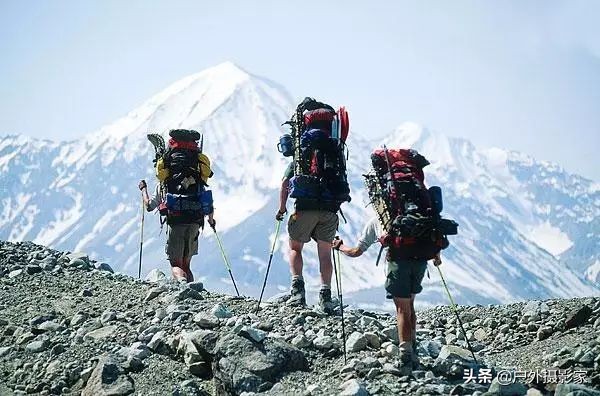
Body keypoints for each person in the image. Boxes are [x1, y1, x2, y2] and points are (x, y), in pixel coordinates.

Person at [332, 218, 442, 371]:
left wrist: (340, 246)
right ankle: (413, 346)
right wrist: (436, 255)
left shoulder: (377, 220)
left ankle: (406, 357)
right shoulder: (418, 215)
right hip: (420, 261)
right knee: (410, 305)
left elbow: (356, 251)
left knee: (402, 309)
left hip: (398, 262)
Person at [277, 161, 338, 313]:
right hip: (329, 211)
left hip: (305, 208)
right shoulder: (334, 157)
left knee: (295, 248)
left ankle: (297, 292)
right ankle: (326, 298)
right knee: (325, 255)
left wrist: (282, 208)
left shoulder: (299, 157)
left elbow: (285, 182)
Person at [139, 179, 215, 283]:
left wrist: (143, 190)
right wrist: (211, 221)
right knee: (186, 265)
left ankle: (182, 283)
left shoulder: (164, 184)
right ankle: (192, 290)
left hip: (176, 224)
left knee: (176, 264)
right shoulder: (196, 180)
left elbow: (149, 206)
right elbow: (208, 203)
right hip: (195, 224)